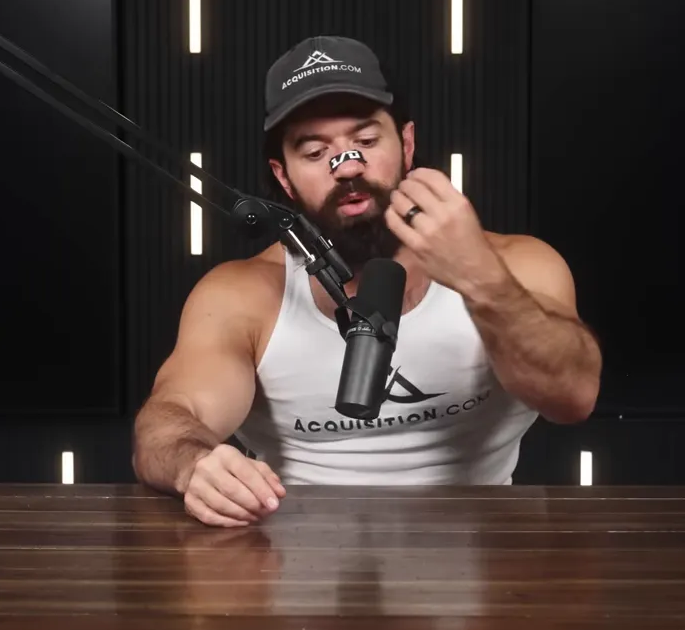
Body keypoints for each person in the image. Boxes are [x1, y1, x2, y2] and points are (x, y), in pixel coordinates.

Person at [132, 35, 602, 527]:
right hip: (293, 575)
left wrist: (480, 279)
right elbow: (167, 421)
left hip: (480, 577)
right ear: (284, 177)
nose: (348, 167)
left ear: (408, 144)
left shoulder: (518, 265)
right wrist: (194, 464)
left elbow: (572, 397)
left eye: (366, 142)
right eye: (315, 152)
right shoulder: (242, 295)